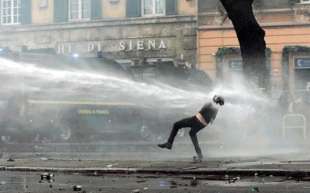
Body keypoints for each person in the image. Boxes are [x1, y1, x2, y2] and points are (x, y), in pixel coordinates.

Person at [158, 95, 224, 162]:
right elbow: (211, 122)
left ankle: (169, 143)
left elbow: (201, 110)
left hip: (195, 120)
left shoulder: (209, 104)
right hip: (201, 125)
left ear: (216, 100)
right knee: (192, 133)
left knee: (176, 125)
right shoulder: (216, 110)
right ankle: (199, 155)